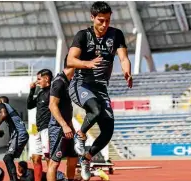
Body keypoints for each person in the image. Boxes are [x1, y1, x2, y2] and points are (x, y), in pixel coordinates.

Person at [67, 1, 132, 180]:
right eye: (101, 20)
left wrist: (127, 70)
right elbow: (70, 60)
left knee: (108, 130)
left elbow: (124, 57)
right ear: (92, 18)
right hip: (81, 84)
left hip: (101, 87)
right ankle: (80, 136)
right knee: (95, 109)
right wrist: (87, 63)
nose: (104, 25)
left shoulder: (116, 34)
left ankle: (86, 159)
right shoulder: (83, 36)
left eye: (108, 21)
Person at [47, 60, 78, 181]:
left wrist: (71, 126)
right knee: (54, 163)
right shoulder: (59, 82)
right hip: (58, 128)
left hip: (67, 127)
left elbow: (66, 108)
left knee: (73, 159)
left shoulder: (67, 81)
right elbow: (52, 105)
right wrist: (65, 125)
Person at [0, 96, 29, 181]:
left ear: (0, 101)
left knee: (7, 158)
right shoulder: (10, 109)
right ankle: (13, 179)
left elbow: (3, 115)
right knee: (8, 158)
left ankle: (14, 179)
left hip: (19, 134)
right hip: (19, 134)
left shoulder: (3, 104)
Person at [27, 69, 53, 181]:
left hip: (47, 128)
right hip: (37, 129)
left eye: (39, 79)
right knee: (35, 158)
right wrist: (32, 90)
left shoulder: (52, 92)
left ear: (46, 78)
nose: (37, 82)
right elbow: (29, 105)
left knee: (48, 158)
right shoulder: (40, 92)